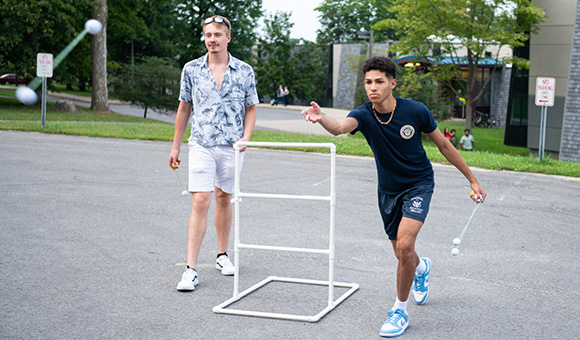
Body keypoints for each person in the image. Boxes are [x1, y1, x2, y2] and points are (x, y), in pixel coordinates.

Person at [300, 56, 486, 338]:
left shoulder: (415, 111)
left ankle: (399, 310)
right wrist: (321, 117)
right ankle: (421, 268)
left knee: (406, 243)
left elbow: (445, 145)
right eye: (368, 82)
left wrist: (472, 180)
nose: (372, 87)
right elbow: (339, 127)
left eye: (378, 81)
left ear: (392, 83)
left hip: (419, 184)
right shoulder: (364, 114)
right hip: (388, 191)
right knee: (403, 253)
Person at [169, 15, 259, 292]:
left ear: (227, 38)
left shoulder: (244, 70)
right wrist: (175, 145)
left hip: (232, 145)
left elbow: (251, 108)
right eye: (208, 35)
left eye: (217, 35)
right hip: (201, 143)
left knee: (224, 198)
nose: (212, 39)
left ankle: (222, 255)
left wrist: (246, 138)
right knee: (200, 202)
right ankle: (190, 270)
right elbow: (184, 107)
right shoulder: (192, 69)